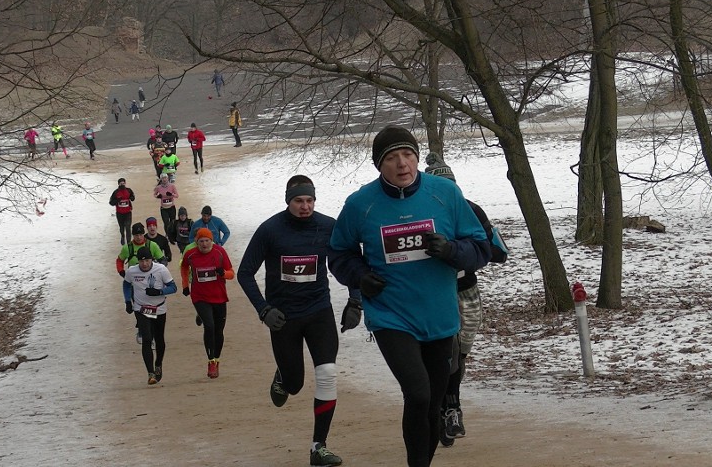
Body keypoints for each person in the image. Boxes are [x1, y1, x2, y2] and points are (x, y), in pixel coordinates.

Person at [328, 125, 490, 467]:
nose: (402, 164)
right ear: (379, 165)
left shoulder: (444, 194)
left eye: (408, 155)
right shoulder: (361, 204)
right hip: (391, 313)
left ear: (417, 158)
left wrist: (451, 250)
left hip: (440, 313)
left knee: (431, 402)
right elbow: (339, 253)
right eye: (391, 157)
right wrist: (359, 277)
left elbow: (481, 248)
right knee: (417, 392)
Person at [237, 175, 361, 467]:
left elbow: (350, 263)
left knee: (328, 374)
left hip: (319, 312)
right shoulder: (270, 230)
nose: (305, 206)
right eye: (299, 201)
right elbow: (244, 273)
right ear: (288, 201)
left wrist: (356, 301)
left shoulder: (329, 227)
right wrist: (264, 310)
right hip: (283, 318)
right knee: (295, 384)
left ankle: (319, 447)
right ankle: (284, 377)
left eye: (309, 200)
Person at [425, 152, 488, 446]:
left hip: (467, 290)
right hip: (436, 294)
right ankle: (450, 409)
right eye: (442, 186)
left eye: (452, 185)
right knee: (447, 354)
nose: (448, 192)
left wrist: (463, 250)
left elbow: (493, 251)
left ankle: (444, 404)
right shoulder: (422, 214)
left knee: (459, 355)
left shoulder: (471, 209)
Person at [180, 227, 235, 378]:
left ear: (212, 241)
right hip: (200, 297)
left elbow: (231, 273)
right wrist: (185, 285)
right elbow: (184, 267)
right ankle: (211, 361)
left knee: (218, 331)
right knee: (209, 326)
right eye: (201, 241)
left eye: (207, 241)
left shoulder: (219, 252)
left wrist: (223, 273)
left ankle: (217, 359)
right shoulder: (190, 254)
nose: (204, 244)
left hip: (219, 296)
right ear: (196, 242)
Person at [123, 246, 176, 385]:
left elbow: (173, 287)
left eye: (147, 260)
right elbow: (126, 285)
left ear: (152, 259)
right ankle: (150, 373)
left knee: (159, 340)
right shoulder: (132, 271)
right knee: (146, 338)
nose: (144, 264)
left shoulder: (161, 270)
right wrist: (128, 301)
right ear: (137, 262)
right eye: (141, 261)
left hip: (158, 309)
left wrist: (158, 292)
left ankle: (158, 363)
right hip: (141, 309)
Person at [117, 222, 167, 345]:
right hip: (135, 283)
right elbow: (119, 260)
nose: (138, 237)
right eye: (136, 235)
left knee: (151, 305)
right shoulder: (127, 248)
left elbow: (162, 260)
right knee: (138, 306)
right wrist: (122, 272)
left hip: (151, 282)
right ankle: (142, 328)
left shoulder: (152, 245)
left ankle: (150, 331)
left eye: (140, 234)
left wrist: (160, 271)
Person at [109, 178, 135, 245]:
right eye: (121, 183)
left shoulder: (129, 190)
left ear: (125, 183)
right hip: (119, 213)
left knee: (128, 227)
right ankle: (122, 236)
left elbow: (133, 197)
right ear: (118, 184)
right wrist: (117, 200)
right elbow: (111, 202)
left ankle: (129, 242)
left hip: (128, 212)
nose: (122, 184)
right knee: (121, 227)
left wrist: (131, 198)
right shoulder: (115, 192)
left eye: (123, 183)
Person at [154, 173, 179, 240]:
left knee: (173, 222)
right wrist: (158, 196)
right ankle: (168, 235)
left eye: (165, 178)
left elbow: (177, 195)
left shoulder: (172, 186)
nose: (164, 179)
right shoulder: (158, 187)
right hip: (163, 208)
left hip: (172, 207)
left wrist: (172, 194)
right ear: (161, 179)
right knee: (166, 223)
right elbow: (154, 194)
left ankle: (173, 235)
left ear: (168, 178)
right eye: (163, 178)